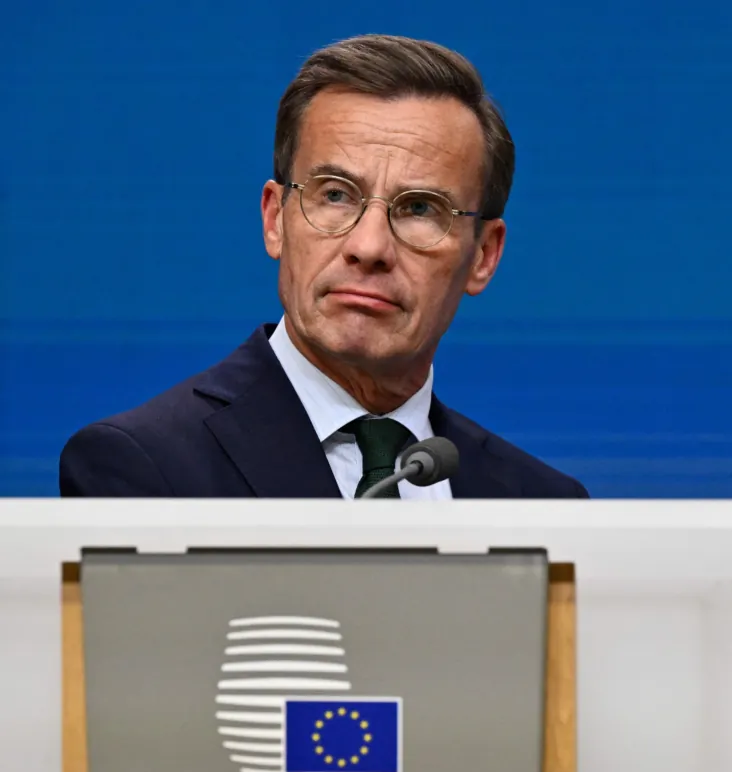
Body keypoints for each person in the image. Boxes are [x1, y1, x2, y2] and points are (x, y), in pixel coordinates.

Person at [59, 34, 588, 500]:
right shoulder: (145, 469)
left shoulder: (540, 504)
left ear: (483, 256)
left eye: (421, 208)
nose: (369, 246)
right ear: (275, 220)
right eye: (335, 195)